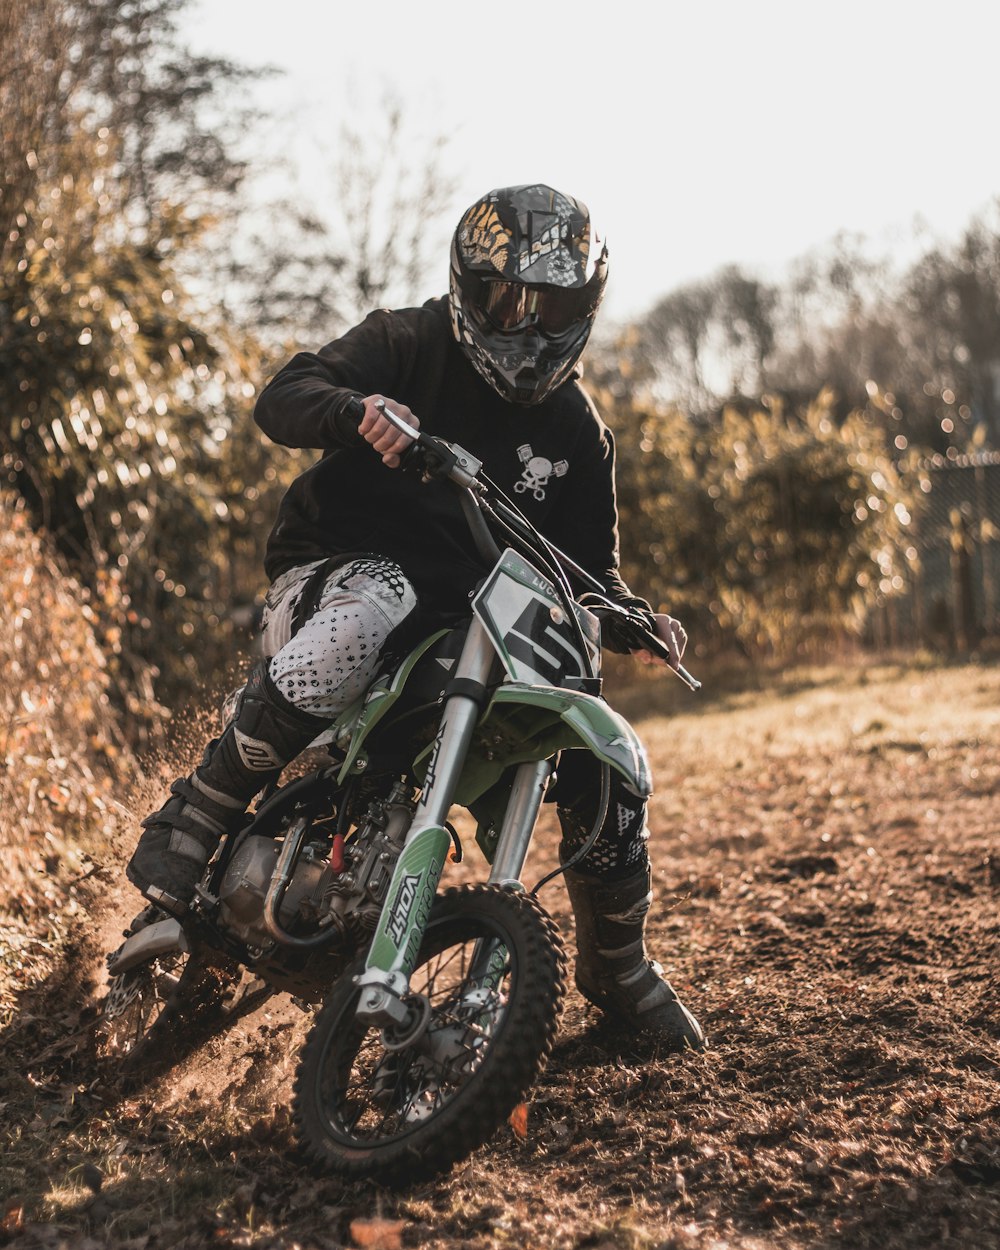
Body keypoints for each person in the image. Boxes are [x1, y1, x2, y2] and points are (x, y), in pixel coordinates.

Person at [127, 183, 706, 1052]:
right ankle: (195, 815)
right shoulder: (405, 341)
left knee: (600, 735)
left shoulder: (580, 432)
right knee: (379, 598)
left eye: (554, 306)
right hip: (333, 586)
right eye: (509, 301)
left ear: (587, 305)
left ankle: (616, 969)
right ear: (468, 289)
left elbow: (588, 573)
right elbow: (284, 394)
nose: (528, 327)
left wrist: (633, 620)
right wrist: (355, 411)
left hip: (473, 631)